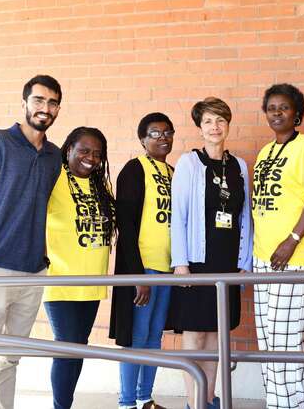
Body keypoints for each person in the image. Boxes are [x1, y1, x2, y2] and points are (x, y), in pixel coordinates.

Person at [0, 75, 63, 409]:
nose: (44, 108)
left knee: (12, 358)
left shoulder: (54, 156)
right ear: (24, 103)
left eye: (52, 103)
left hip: (33, 272)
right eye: (38, 100)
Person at [168, 97, 253, 409]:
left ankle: (208, 399)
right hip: (196, 262)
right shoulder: (189, 164)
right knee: (194, 335)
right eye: (208, 121)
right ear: (199, 127)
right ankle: (193, 403)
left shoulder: (239, 166)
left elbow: (245, 216)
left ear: (228, 124)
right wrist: (180, 263)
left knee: (218, 334)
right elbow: (179, 216)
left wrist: (244, 262)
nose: (214, 127)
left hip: (227, 262)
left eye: (220, 120)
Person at [252, 83, 304, 409]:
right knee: (269, 342)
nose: (277, 113)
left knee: (285, 341)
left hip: (294, 258)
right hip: (262, 258)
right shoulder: (265, 151)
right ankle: (289, 403)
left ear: (297, 113)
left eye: (284, 107)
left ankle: (286, 406)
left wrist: (292, 239)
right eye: (272, 108)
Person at [43, 127, 116, 409]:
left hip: (93, 282)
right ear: (69, 149)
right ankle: (60, 406)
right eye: (84, 151)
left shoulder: (101, 186)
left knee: (78, 347)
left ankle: (66, 403)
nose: (91, 158)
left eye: (97, 154)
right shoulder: (55, 178)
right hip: (61, 279)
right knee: (67, 347)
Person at [109, 113, 175, 409]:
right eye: (155, 133)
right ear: (143, 139)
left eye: (167, 132)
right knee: (136, 337)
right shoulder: (135, 169)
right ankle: (126, 402)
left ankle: (145, 397)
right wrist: (137, 275)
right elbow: (126, 224)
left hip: (168, 268)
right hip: (144, 267)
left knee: (154, 337)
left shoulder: (173, 172)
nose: (162, 138)